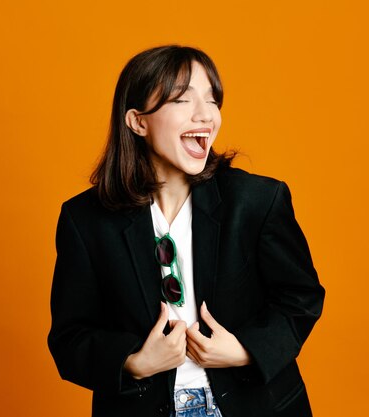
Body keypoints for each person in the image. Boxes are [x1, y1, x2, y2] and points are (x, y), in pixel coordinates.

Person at [48, 45, 325, 417]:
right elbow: (70, 338)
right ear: (137, 122)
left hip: (254, 404)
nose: (205, 115)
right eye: (182, 100)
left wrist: (243, 350)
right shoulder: (85, 220)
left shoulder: (257, 200)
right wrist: (135, 362)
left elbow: (301, 298)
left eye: (212, 100)